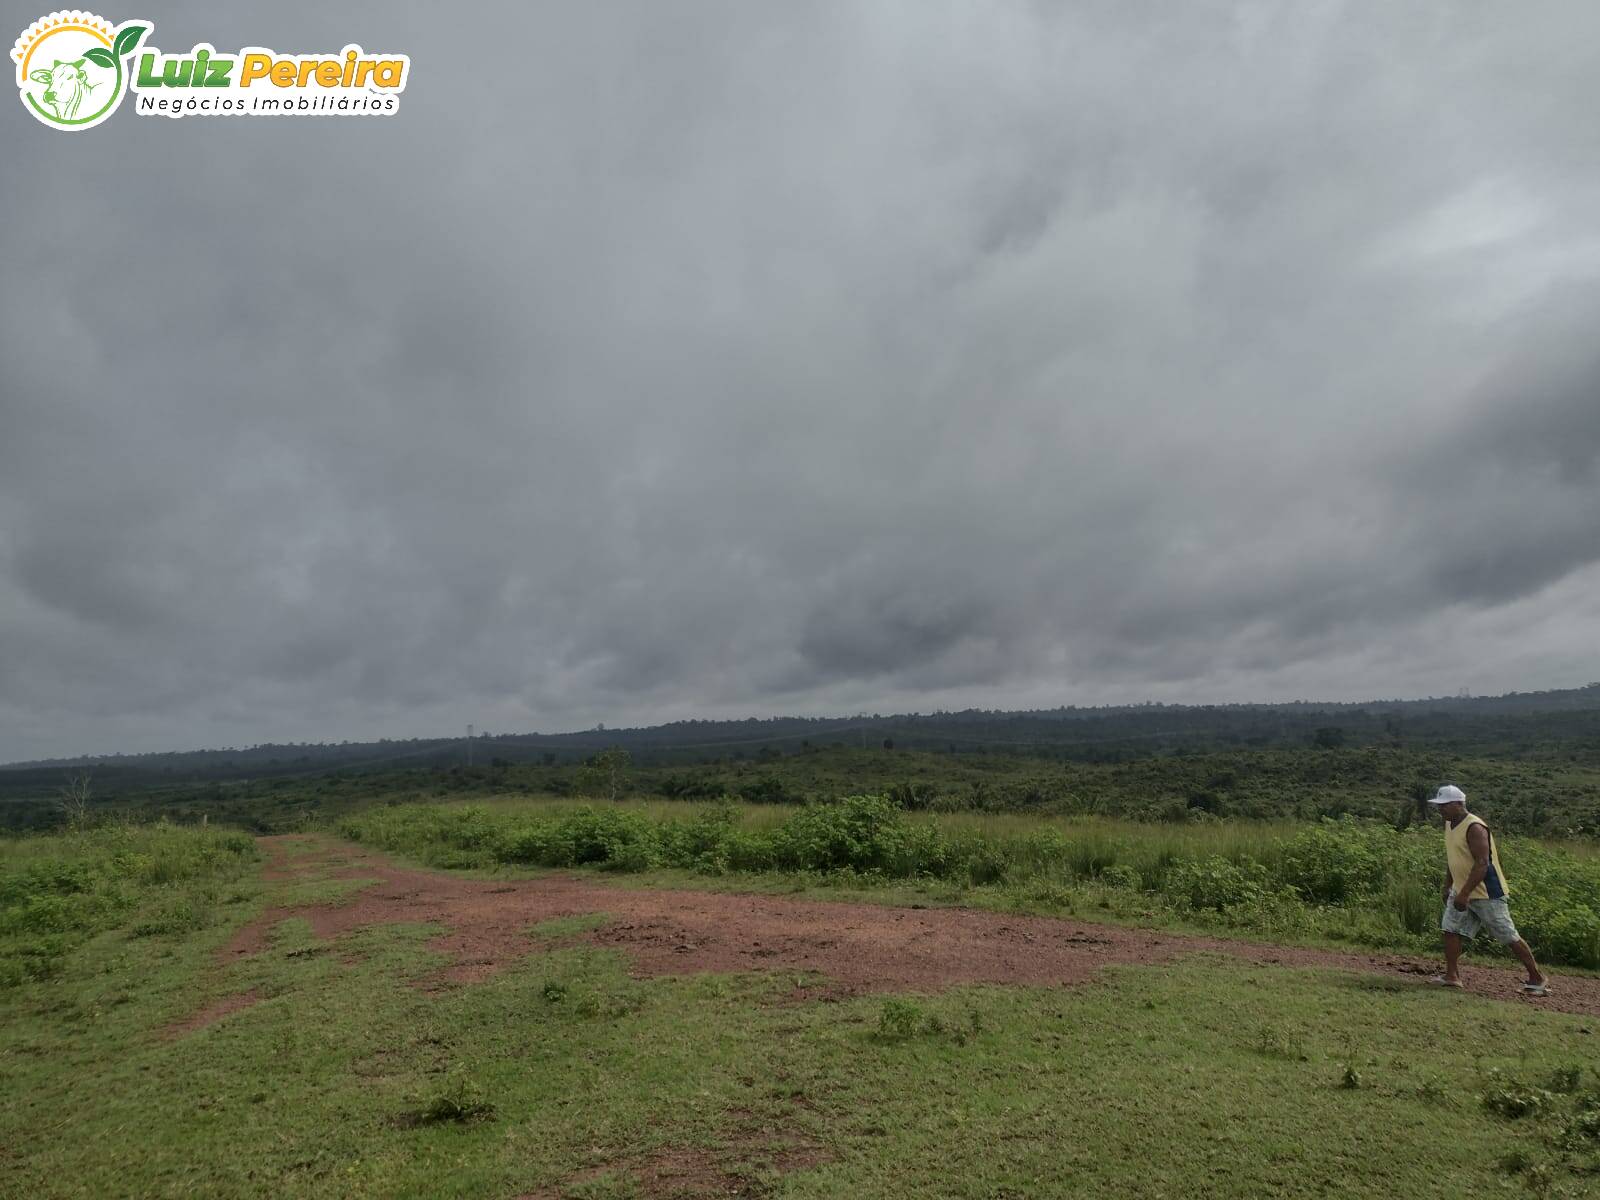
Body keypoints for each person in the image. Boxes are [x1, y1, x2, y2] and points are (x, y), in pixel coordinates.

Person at [1427, 785, 1548, 995]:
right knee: (1450, 929)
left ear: (1458, 804)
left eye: (1445, 805)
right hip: (1461, 888)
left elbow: (1482, 863)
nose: (1441, 809)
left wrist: (1464, 893)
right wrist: (1449, 885)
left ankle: (1537, 978)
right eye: (1439, 805)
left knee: (1507, 935)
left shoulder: (1474, 827)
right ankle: (1452, 976)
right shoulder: (1449, 825)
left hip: (1486, 892)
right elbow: (1454, 858)